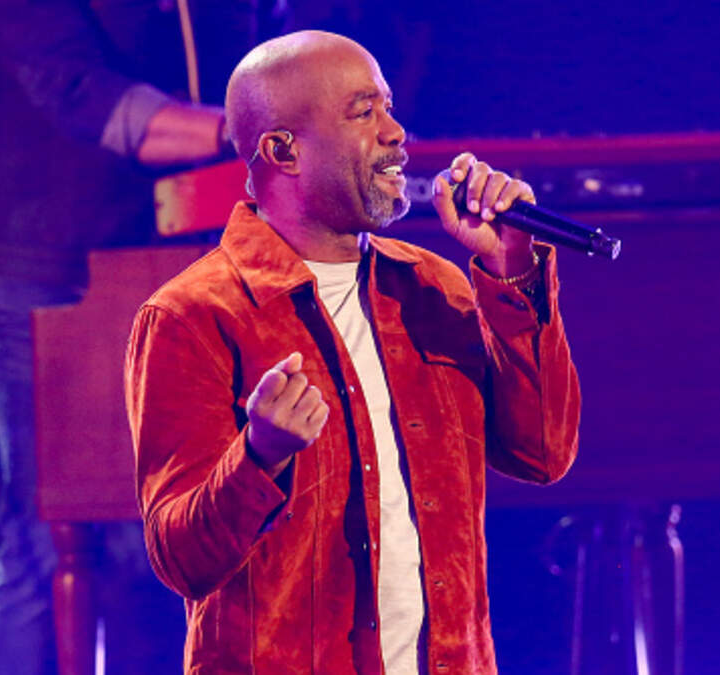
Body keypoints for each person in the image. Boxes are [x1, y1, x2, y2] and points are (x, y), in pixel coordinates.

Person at [124, 30, 581, 673]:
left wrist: (511, 273)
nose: (396, 132)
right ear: (283, 150)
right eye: (364, 113)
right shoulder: (193, 316)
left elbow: (544, 453)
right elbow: (181, 561)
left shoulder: (431, 286)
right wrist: (259, 456)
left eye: (388, 107)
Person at [0, 1, 287, 672]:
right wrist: (239, 131)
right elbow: (80, 94)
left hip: (177, 253)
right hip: (48, 260)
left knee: (166, 533)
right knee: (44, 538)